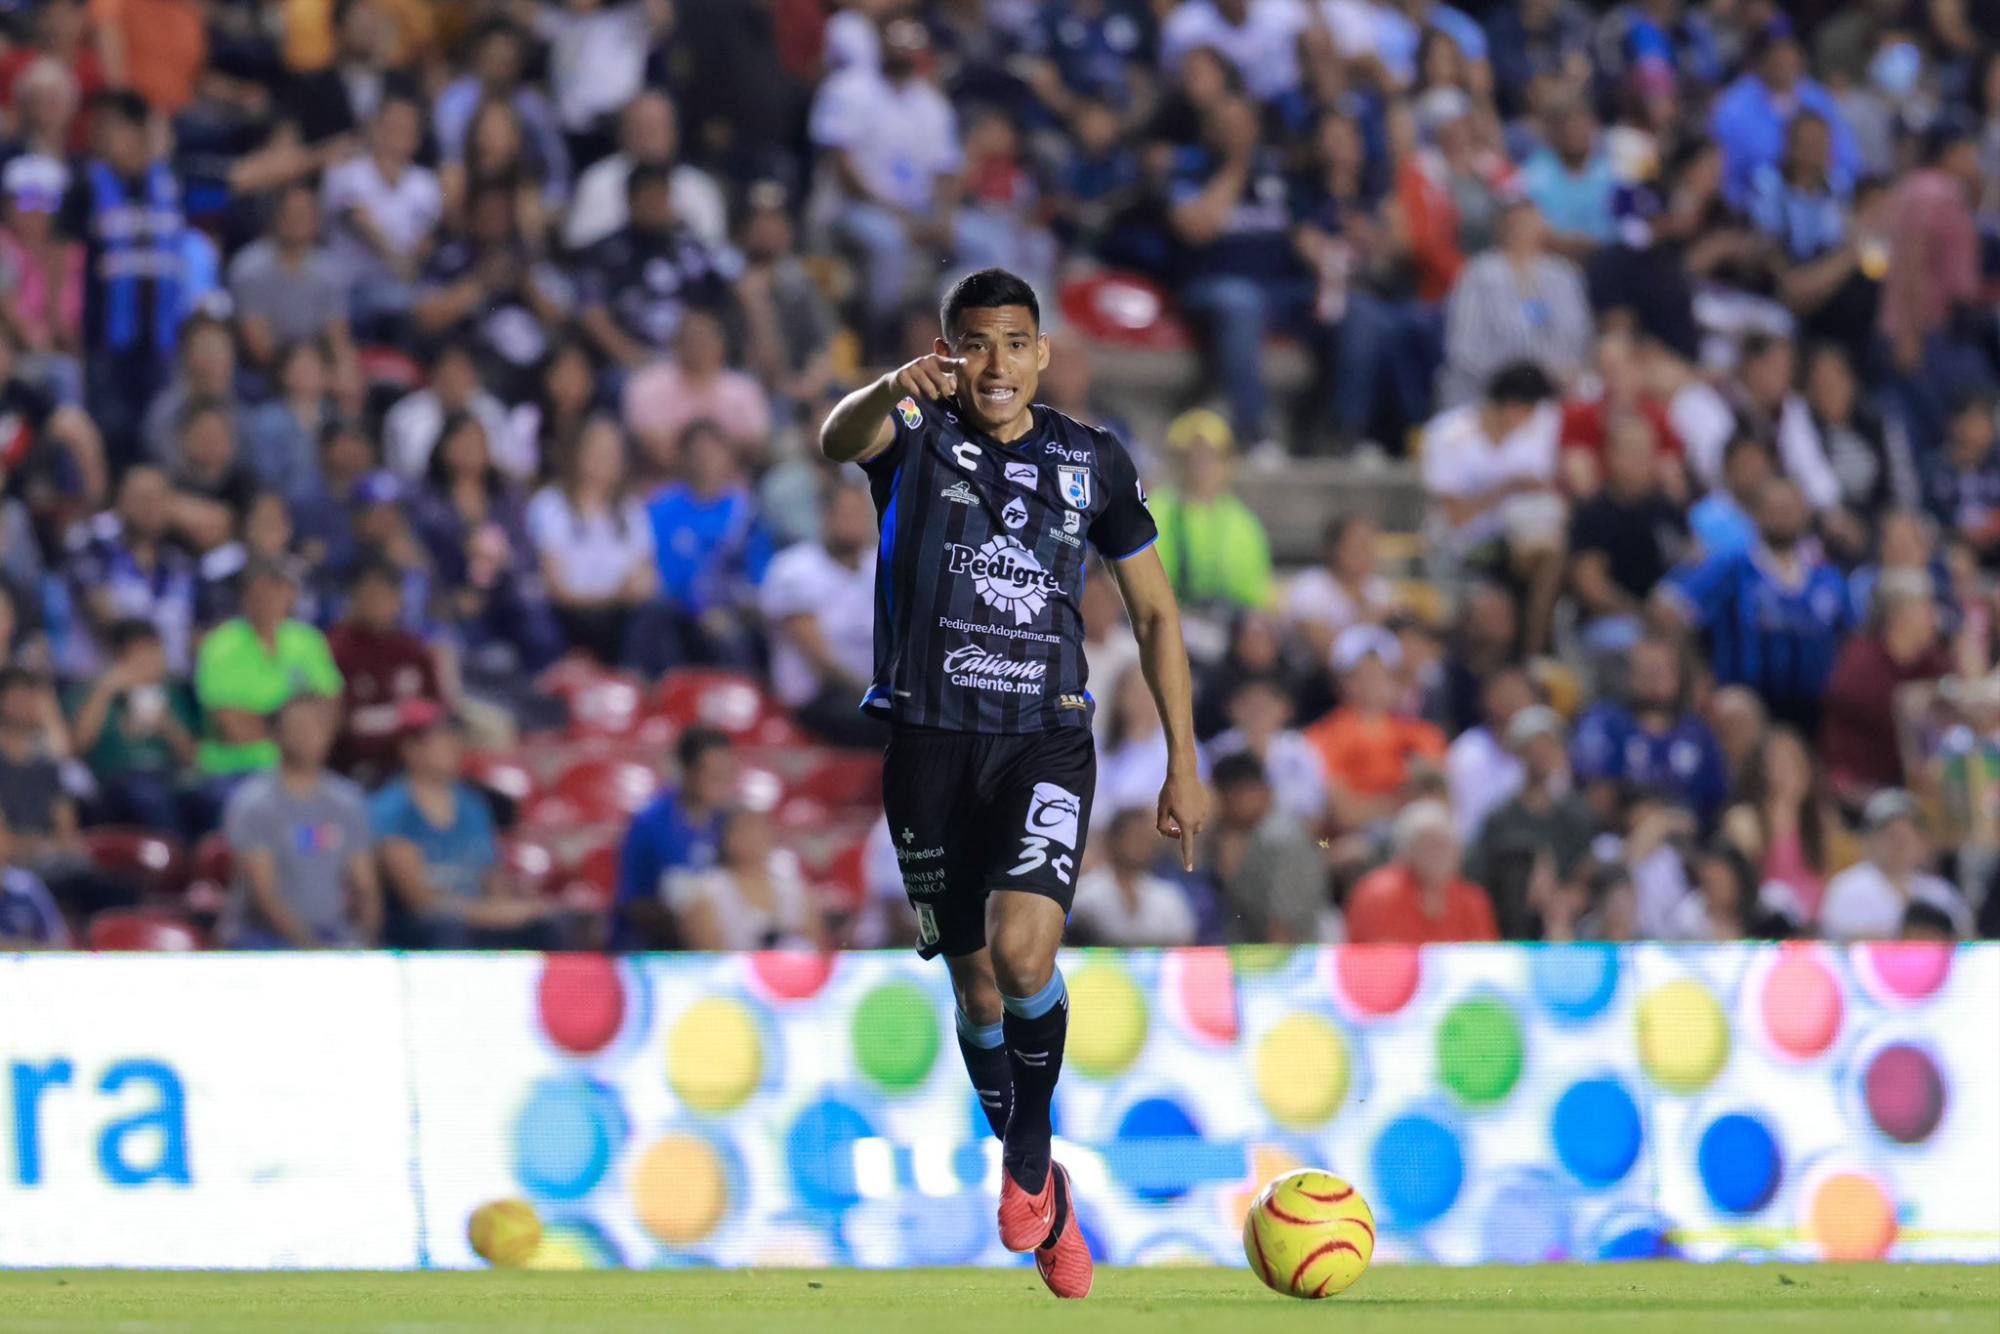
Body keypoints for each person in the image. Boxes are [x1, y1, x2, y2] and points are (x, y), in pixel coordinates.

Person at [819, 268, 1206, 1298]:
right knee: (977, 983)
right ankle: (1050, 1193)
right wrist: (884, 386)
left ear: (1042, 354)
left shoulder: (1092, 460)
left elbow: (1155, 613)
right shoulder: (912, 431)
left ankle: (1028, 1158)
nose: (995, 364)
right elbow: (834, 439)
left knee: (1025, 951)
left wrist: (1182, 759)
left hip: (1044, 739)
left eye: (1014, 343)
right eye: (974, 344)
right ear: (947, 353)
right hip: (927, 745)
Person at [1657, 477, 1853, 735]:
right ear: (1755, 514)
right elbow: (1668, 607)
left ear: (1804, 513)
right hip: (1745, 701)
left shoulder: (1826, 576)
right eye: (1774, 508)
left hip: (1814, 705)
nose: (1783, 516)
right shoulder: (1732, 566)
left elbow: (1851, 635)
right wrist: (1697, 675)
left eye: (1789, 508)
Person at [369, 700, 560, 950]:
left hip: (475, 920)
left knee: (547, 925)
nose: (454, 745)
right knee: (447, 927)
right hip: (424, 929)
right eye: (442, 738)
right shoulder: (390, 808)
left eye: (454, 737)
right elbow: (419, 900)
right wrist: (491, 914)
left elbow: (491, 876)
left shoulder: (473, 804)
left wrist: (505, 910)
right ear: (411, 749)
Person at [219, 695, 379, 948]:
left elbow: (365, 885)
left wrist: (366, 943)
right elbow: (264, 895)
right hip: (264, 939)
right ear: (278, 735)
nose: (311, 735)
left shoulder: (347, 801)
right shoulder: (254, 804)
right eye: (300, 727)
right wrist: (311, 950)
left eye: (320, 725)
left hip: (332, 933)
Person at [525, 416, 657, 667]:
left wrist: (620, 597)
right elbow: (555, 585)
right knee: (535, 611)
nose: (604, 458)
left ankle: (633, 680)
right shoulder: (549, 505)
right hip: (565, 613)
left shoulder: (632, 511)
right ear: (578, 453)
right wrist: (610, 597)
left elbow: (644, 581)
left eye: (612, 452)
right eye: (597, 449)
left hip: (617, 617)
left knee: (654, 611)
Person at [193, 558, 342, 779]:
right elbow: (232, 727)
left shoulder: (309, 640)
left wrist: (265, 721)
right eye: (262, 589)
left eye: (279, 588)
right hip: (237, 770)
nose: (270, 598)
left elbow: (330, 708)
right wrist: (297, 729)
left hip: (303, 769)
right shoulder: (219, 645)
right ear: (245, 596)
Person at [1437, 201, 1593, 413]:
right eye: (1520, 224)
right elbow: (1464, 349)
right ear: (1504, 228)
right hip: (1491, 392)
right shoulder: (1478, 274)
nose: (1527, 231)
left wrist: (1563, 373)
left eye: (1533, 223)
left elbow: (1582, 338)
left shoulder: (1562, 274)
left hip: (1558, 388)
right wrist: (1521, 381)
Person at [758, 482, 878, 746]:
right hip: (816, 699)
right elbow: (823, 664)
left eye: (860, 514)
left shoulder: (880, 567)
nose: (855, 522)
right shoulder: (793, 569)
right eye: (845, 513)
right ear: (826, 516)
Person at [1819, 570, 1952, 805]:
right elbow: (1895, 714)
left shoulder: (1930, 657)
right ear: (1901, 614)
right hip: (1859, 787)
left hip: (1908, 785)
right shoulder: (1861, 661)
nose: (1935, 617)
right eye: (1926, 607)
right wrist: (1924, 699)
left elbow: (1955, 697)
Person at [1464, 707, 1598, 938]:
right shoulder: (1500, 817)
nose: (1540, 755)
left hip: (1568, 922)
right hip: (1510, 923)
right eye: (1531, 748)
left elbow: (1586, 873)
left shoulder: (1575, 816)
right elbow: (1476, 876)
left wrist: (1564, 899)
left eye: (1548, 746)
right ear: (1518, 754)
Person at [1570, 636, 1729, 828]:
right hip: (1617, 831)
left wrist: (1672, 819)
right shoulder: (1605, 722)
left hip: (1686, 831)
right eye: (1646, 671)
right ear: (1629, 675)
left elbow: (1714, 799)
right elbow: (1596, 792)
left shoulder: (1697, 733)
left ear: (1678, 676)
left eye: (1661, 671)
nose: (1654, 680)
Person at [1566, 412, 1687, 655]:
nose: (1642, 458)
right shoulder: (1594, 513)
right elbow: (1592, 587)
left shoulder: (1668, 508)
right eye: (1633, 450)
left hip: (1669, 615)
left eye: (1648, 450)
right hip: (1615, 621)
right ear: (1610, 456)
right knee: (1639, 647)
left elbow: (1693, 557)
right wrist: (1644, 613)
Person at [1304, 625, 1447, 831]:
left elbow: (1440, 801)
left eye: (1381, 672)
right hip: (1345, 840)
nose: (1373, 682)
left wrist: (1381, 805)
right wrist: (1406, 798)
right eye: (1360, 675)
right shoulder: (1321, 737)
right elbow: (1345, 815)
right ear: (1340, 683)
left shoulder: (1424, 734)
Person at [64, 618, 197, 832]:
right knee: (149, 796)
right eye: (140, 655)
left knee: (205, 794)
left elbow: (191, 757)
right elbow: (76, 748)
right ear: (119, 658)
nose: (150, 662)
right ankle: (170, 854)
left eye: (155, 652)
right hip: (114, 780)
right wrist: (104, 693)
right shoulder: (88, 691)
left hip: (168, 775)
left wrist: (167, 726)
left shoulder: (172, 690)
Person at [613, 727, 734, 950]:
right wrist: (688, 925)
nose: (721, 785)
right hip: (654, 945)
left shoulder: (727, 823)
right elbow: (631, 903)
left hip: (711, 942)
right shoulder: (648, 824)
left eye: (726, 775)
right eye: (713, 775)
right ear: (686, 771)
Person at [326, 559, 444, 785]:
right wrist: (400, 717)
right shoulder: (336, 649)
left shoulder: (413, 651)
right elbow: (339, 721)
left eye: (385, 595)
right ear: (355, 598)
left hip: (412, 765)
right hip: (351, 765)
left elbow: (435, 706)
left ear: (398, 600)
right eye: (370, 595)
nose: (378, 603)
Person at [1145, 409, 1275, 612]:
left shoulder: (1244, 523)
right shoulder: (1155, 510)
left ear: (1228, 463)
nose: (1199, 466)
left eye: (1210, 457)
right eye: (1190, 456)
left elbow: (1257, 595)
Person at [1721, 727, 1847, 930]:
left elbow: (1833, 875)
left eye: (1794, 761)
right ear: (1761, 770)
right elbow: (1740, 883)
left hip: (1816, 924)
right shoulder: (1744, 819)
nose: (1789, 770)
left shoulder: (1823, 819)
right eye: (1778, 762)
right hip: (1766, 924)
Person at [1203, 750, 1326, 945]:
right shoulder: (1236, 837)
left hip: (1295, 954)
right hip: (1255, 951)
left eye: (1223, 797)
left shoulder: (1278, 837)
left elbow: (1282, 927)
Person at [668, 805, 826, 951]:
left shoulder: (794, 888)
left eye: (760, 828)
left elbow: (818, 950)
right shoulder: (707, 893)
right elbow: (708, 960)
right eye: (745, 829)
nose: (754, 836)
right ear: (725, 837)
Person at [1820, 789, 1970, 940]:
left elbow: (1965, 940)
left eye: (1908, 836)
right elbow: (1842, 943)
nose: (1899, 845)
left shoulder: (1940, 893)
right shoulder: (1847, 888)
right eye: (1890, 835)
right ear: (1870, 840)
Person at [1346, 798, 1500, 944]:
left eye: (1444, 845)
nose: (1438, 855)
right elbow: (1377, 955)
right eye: (1428, 846)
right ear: (1406, 851)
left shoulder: (1472, 901)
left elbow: (1484, 955)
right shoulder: (1378, 895)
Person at [1069, 807, 1199, 947]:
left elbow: (1184, 946)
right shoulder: (1084, 894)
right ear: (1113, 840)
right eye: (1132, 837)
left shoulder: (1168, 897)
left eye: (1144, 838)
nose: (1138, 845)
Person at [1284, 515, 1400, 666]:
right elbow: (1333, 654)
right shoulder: (1310, 587)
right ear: (1335, 548)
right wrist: (1368, 621)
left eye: (1371, 545)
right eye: (1359, 545)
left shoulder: (1380, 589)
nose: (1367, 553)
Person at [1444, 665, 1532, 843]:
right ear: (1486, 699)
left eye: (1517, 693)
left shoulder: (1543, 751)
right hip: (1472, 846)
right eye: (1504, 693)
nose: (1511, 700)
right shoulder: (1467, 751)